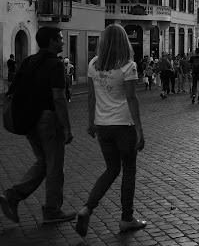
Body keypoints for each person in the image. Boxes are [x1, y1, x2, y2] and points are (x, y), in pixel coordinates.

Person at [75, 24, 146, 237]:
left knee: (111, 169)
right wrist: (140, 130)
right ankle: (126, 218)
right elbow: (131, 99)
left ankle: (87, 207)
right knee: (129, 170)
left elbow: (91, 95)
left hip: (102, 125)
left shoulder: (94, 64)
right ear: (124, 41)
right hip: (123, 125)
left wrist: (91, 121)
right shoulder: (128, 66)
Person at [0, 27, 75, 224]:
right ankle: (52, 210)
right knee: (55, 167)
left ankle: (12, 196)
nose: (63, 42)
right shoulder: (55, 65)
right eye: (59, 39)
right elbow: (58, 97)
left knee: (43, 162)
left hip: (29, 119)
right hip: (48, 120)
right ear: (51, 42)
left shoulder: (29, 61)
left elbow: (14, 88)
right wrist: (67, 127)